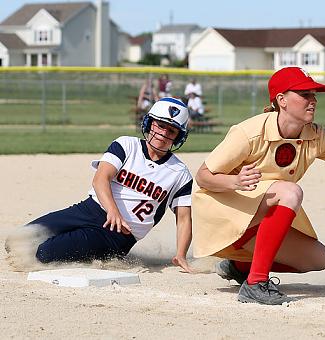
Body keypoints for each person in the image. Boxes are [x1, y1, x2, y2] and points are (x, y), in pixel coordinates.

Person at [192, 67, 325, 305]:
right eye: (304, 94)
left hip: (255, 218)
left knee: (318, 259)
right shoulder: (249, 132)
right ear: (281, 100)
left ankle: (239, 266)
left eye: (313, 94)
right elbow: (203, 176)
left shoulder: (315, 135)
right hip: (222, 213)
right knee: (290, 191)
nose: (313, 100)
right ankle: (256, 283)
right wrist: (234, 181)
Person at [6, 97, 194, 272]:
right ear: (150, 123)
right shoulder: (126, 145)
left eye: (171, 131)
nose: (163, 133)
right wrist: (113, 210)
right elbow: (100, 179)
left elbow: (184, 218)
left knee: (43, 254)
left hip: (117, 235)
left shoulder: (179, 173)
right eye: (160, 125)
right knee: (17, 241)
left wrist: (181, 254)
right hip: (87, 210)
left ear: (178, 137)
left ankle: (90, 252)